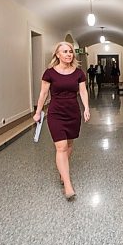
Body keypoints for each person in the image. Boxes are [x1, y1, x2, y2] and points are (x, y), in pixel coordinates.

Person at [33, 42, 90, 200]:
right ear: (57, 54)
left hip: (73, 113)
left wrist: (86, 108)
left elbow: (83, 91)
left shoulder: (78, 73)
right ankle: (67, 184)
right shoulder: (49, 73)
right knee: (61, 146)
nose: (69, 54)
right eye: (64, 51)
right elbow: (43, 94)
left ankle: (62, 172)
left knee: (69, 145)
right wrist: (38, 112)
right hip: (56, 113)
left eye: (70, 51)